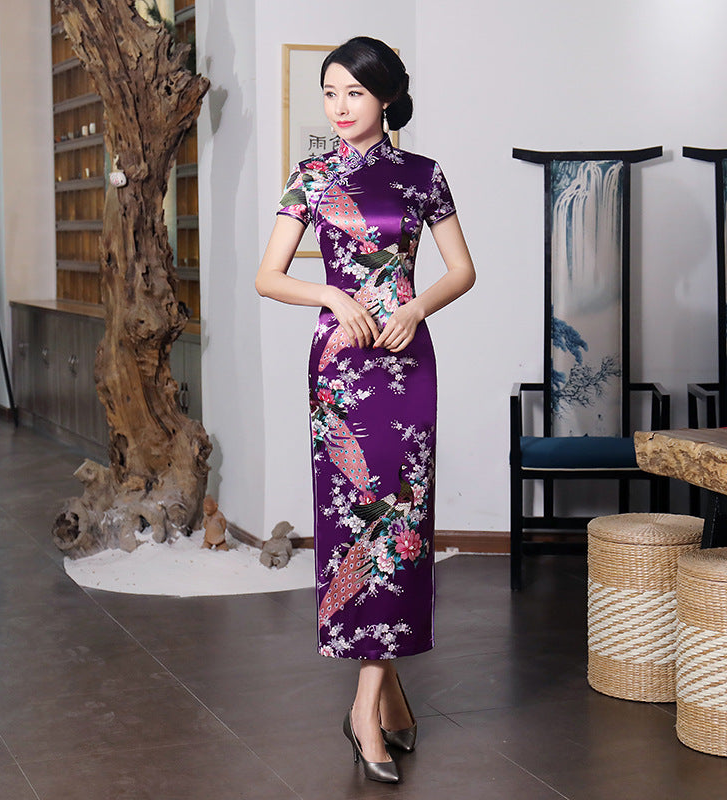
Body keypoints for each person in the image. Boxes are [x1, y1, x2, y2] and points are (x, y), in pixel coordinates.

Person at [255, 36, 475, 783]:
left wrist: (414, 308)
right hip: (341, 374)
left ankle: (368, 705)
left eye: (354, 92)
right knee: (358, 525)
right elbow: (269, 276)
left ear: (386, 98)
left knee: (401, 524)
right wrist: (329, 293)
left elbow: (462, 269)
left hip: (406, 365)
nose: (340, 106)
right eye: (330, 92)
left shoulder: (422, 175)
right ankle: (379, 702)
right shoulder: (312, 176)